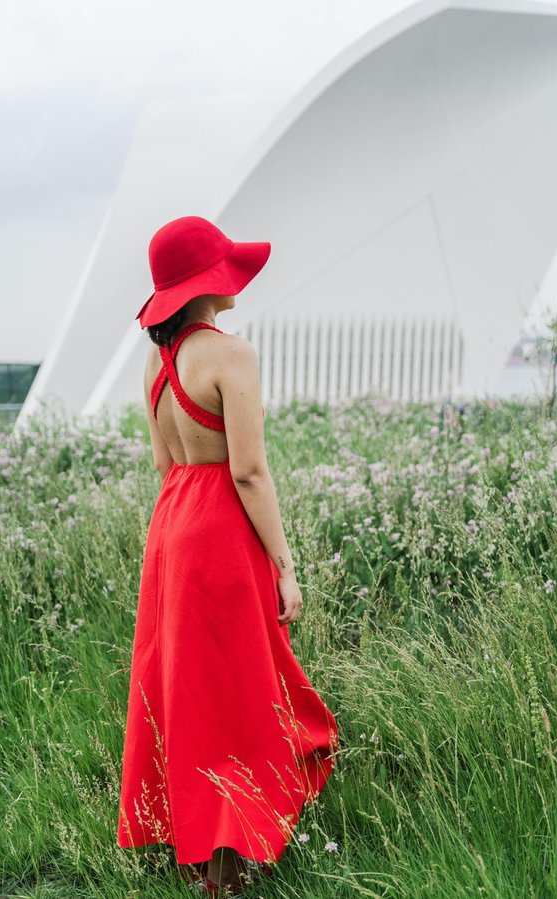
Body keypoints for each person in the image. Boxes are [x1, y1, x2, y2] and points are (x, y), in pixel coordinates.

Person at [116, 217, 339, 897]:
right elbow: (249, 471)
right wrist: (285, 562)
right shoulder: (231, 354)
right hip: (219, 531)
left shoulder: (157, 360)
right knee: (237, 692)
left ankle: (196, 845)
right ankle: (226, 867)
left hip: (173, 525)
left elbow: (164, 462)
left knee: (186, 688)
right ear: (208, 283)